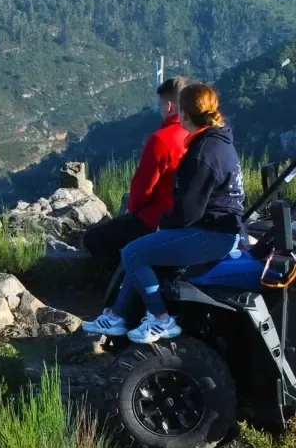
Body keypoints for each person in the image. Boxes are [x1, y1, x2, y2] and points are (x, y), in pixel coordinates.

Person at [82, 82, 245, 344]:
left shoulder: (203, 153)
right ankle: (118, 316)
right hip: (219, 229)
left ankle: (161, 319)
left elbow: (188, 211)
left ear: (183, 113)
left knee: (133, 252)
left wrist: (163, 226)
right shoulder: (217, 140)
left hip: (210, 233)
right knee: (138, 252)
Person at [82, 76, 191, 272]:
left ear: (168, 105)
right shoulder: (199, 133)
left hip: (158, 218)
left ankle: (124, 284)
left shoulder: (161, 140)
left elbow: (143, 189)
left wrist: (132, 210)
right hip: (189, 217)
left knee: (94, 238)